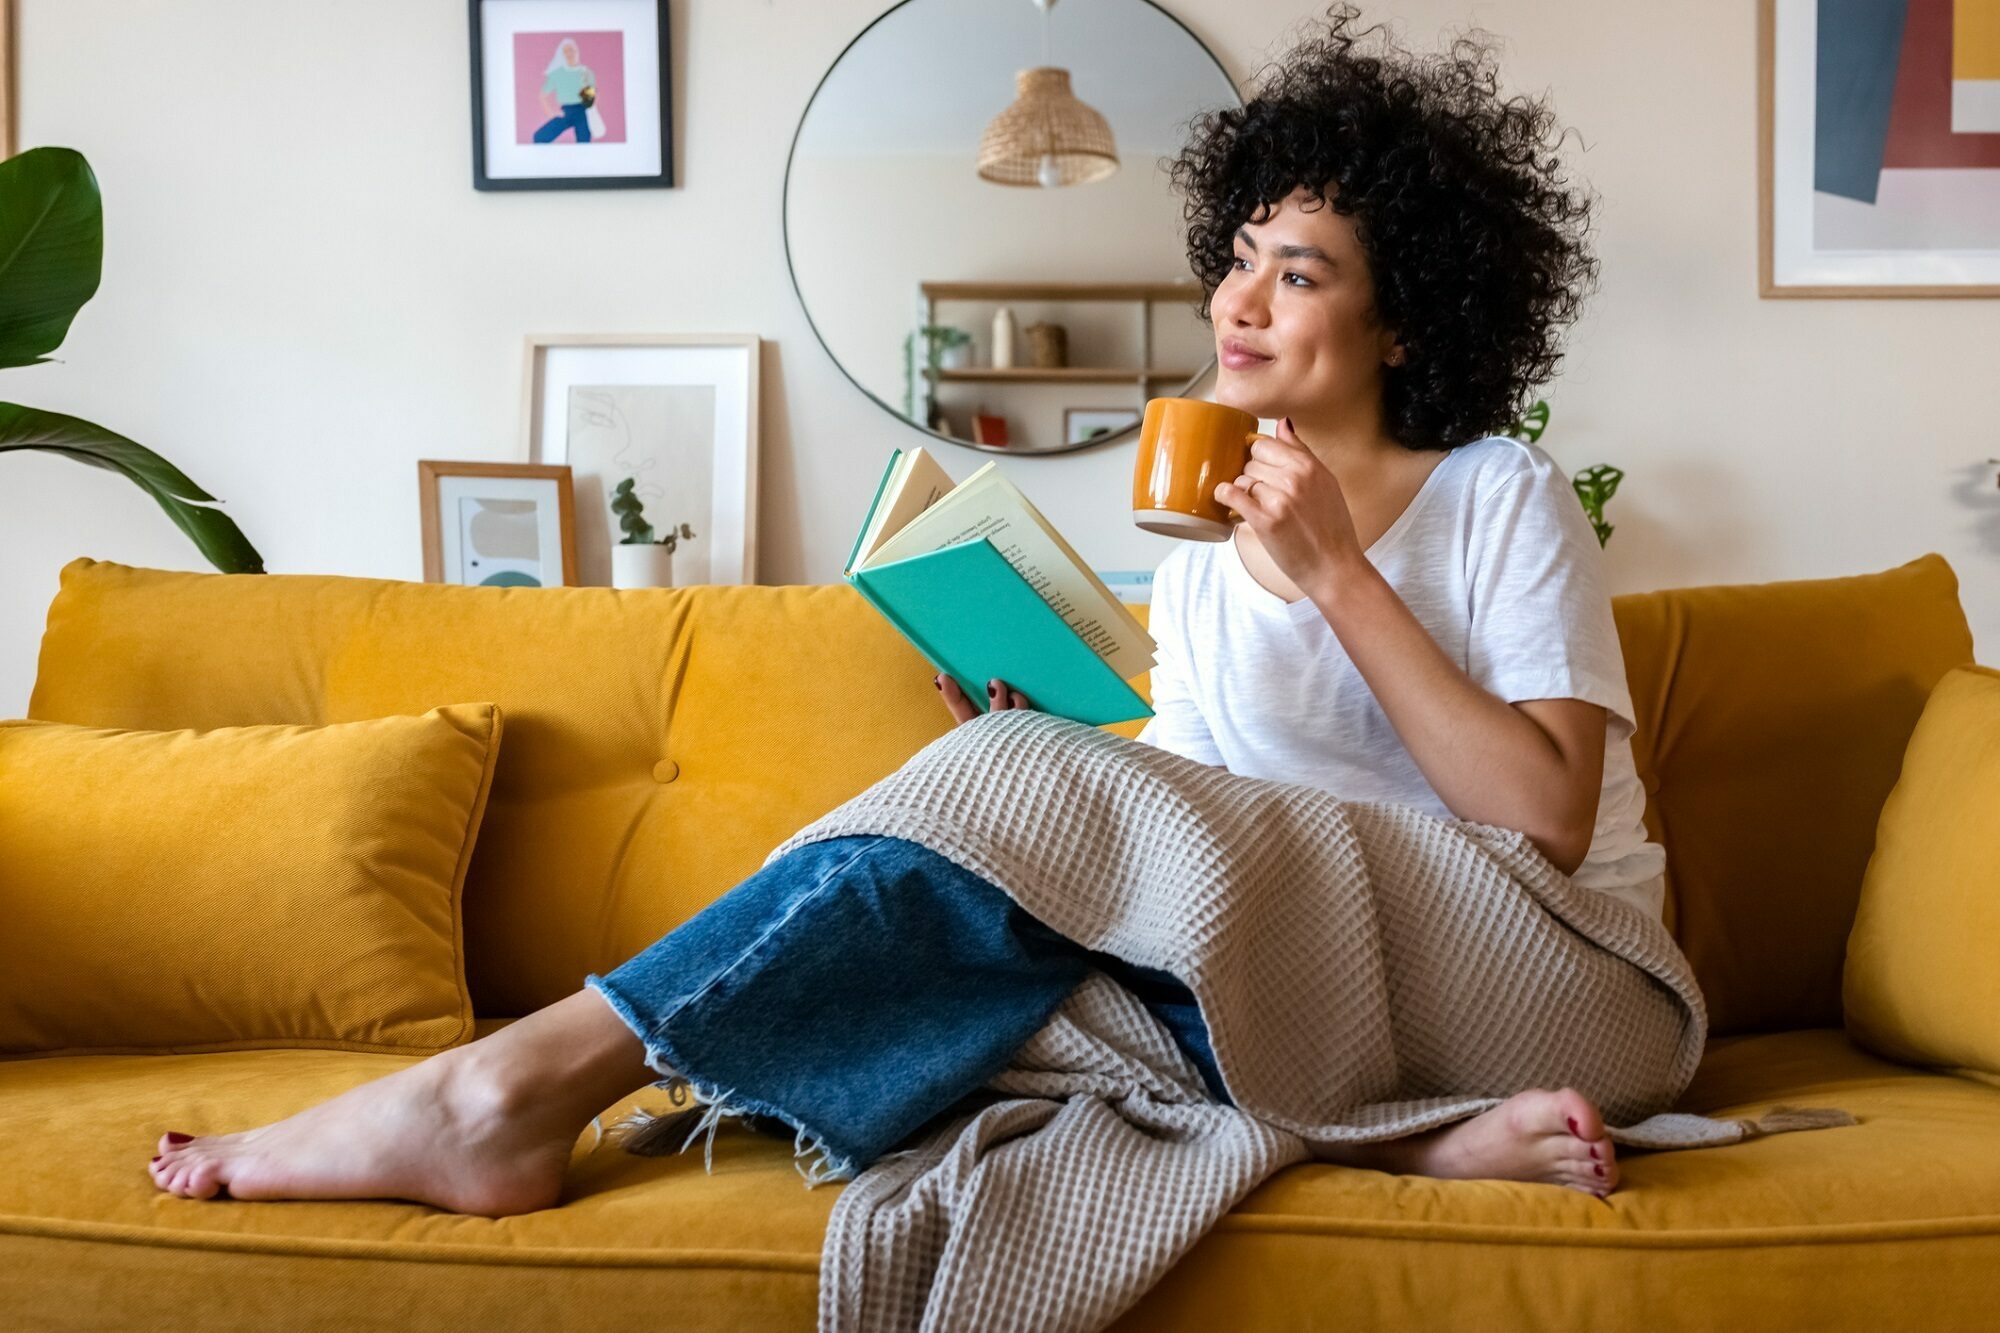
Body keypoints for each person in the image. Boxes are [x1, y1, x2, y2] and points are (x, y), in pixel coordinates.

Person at [147, 3, 1636, 1214]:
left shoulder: (1497, 493)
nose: (1239, 303)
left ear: (1408, 317)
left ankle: (502, 1088)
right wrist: (1047, 744)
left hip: (1548, 978)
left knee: (1000, 921)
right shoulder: (1198, 569)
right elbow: (1212, 858)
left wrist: (1337, 575)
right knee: (983, 965)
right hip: (1323, 985)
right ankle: (1390, 1133)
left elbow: (1548, 817)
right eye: (1238, 257)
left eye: (1297, 274)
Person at [531, 38, 596, 144]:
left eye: (572, 50)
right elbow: (542, 96)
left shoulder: (587, 72)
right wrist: (551, 113)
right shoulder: (557, 74)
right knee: (539, 137)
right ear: (561, 54)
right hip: (566, 112)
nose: (570, 54)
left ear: (577, 51)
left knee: (584, 142)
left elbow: (589, 102)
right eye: (566, 51)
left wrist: (585, 88)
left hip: (581, 112)